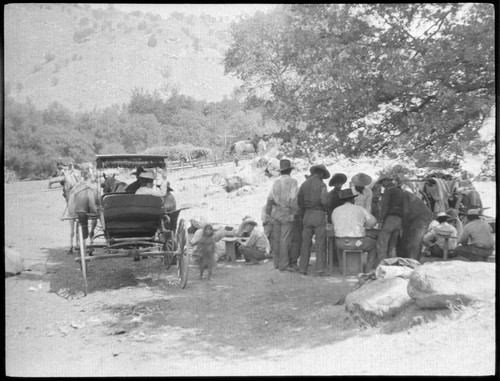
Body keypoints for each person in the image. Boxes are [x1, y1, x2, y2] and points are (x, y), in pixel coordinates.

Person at [265, 159, 299, 272]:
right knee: (285, 240)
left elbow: (269, 199)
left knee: (276, 239)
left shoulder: (276, 182)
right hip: (287, 212)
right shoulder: (293, 182)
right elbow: (294, 199)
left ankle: (276, 263)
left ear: (281, 171)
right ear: (290, 170)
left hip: (276, 212)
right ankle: (284, 265)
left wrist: (267, 214)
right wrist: (295, 213)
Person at [332, 189, 378, 272]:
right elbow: (373, 223)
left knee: (338, 243)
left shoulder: (335, 210)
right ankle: (369, 270)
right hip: (357, 243)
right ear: (352, 199)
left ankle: (343, 269)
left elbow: (335, 225)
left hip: (341, 243)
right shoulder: (360, 209)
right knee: (373, 244)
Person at [298, 164, 330, 276]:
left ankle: (303, 268)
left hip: (307, 214)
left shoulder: (304, 184)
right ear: (321, 173)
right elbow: (324, 201)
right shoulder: (322, 185)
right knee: (320, 243)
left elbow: (299, 201)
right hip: (319, 214)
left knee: (305, 243)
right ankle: (319, 269)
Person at [376, 175, 404, 262]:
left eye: (382, 183)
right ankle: (392, 265)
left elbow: (384, 207)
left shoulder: (388, 190)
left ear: (386, 181)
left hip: (390, 219)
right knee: (392, 246)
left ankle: (381, 264)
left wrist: (380, 221)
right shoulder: (400, 190)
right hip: (399, 220)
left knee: (382, 244)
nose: (382, 185)